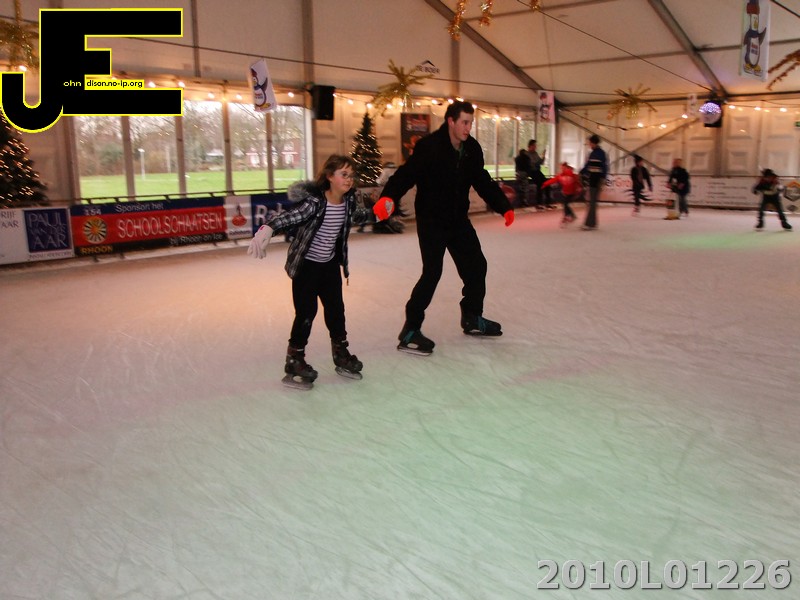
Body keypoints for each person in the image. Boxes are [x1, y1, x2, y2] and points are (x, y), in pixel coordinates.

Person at [377, 100, 515, 356]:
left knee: (477, 266)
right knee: (432, 273)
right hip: (432, 220)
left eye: (471, 123)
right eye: (464, 122)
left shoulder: (471, 149)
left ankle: (472, 317)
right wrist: (388, 197)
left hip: (458, 219)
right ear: (451, 121)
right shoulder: (429, 147)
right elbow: (407, 174)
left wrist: (503, 205)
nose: (468, 128)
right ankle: (410, 330)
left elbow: (482, 181)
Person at [247, 154, 395, 389]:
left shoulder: (347, 201)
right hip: (306, 266)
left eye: (351, 175)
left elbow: (357, 216)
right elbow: (289, 217)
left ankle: (341, 353)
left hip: (329, 265)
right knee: (306, 312)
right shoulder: (315, 202)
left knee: (336, 310)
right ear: (329, 177)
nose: (349, 179)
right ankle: (294, 360)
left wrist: (378, 214)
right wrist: (267, 229)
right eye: (343, 174)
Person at [579, 134, 608, 230]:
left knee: (592, 202)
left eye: (590, 143)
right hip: (592, 179)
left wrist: (603, 179)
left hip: (597, 180)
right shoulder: (592, 153)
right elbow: (588, 166)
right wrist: (581, 172)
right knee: (592, 202)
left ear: (594, 143)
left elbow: (605, 167)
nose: (589, 144)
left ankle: (590, 224)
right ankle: (593, 223)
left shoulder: (601, 154)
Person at [541, 162, 582, 227]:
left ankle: (567, 216)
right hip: (565, 192)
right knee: (565, 204)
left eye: (564, 168)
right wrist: (545, 184)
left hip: (572, 193)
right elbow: (553, 180)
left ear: (567, 168)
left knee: (565, 204)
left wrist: (579, 189)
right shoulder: (560, 176)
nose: (562, 169)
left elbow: (577, 182)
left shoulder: (572, 175)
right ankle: (571, 215)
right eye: (561, 168)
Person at [527, 139, 549, 210]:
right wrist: (537, 162)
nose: (535, 147)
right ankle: (538, 203)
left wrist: (543, 156)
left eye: (535, 146)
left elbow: (540, 162)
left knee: (547, 183)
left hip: (537, 171)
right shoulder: (527, 154)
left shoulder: (535, 153)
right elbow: (533, 163)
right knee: (539, 184)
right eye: (534, 146)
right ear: (530, 146)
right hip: (532, 171)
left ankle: (547, 203)